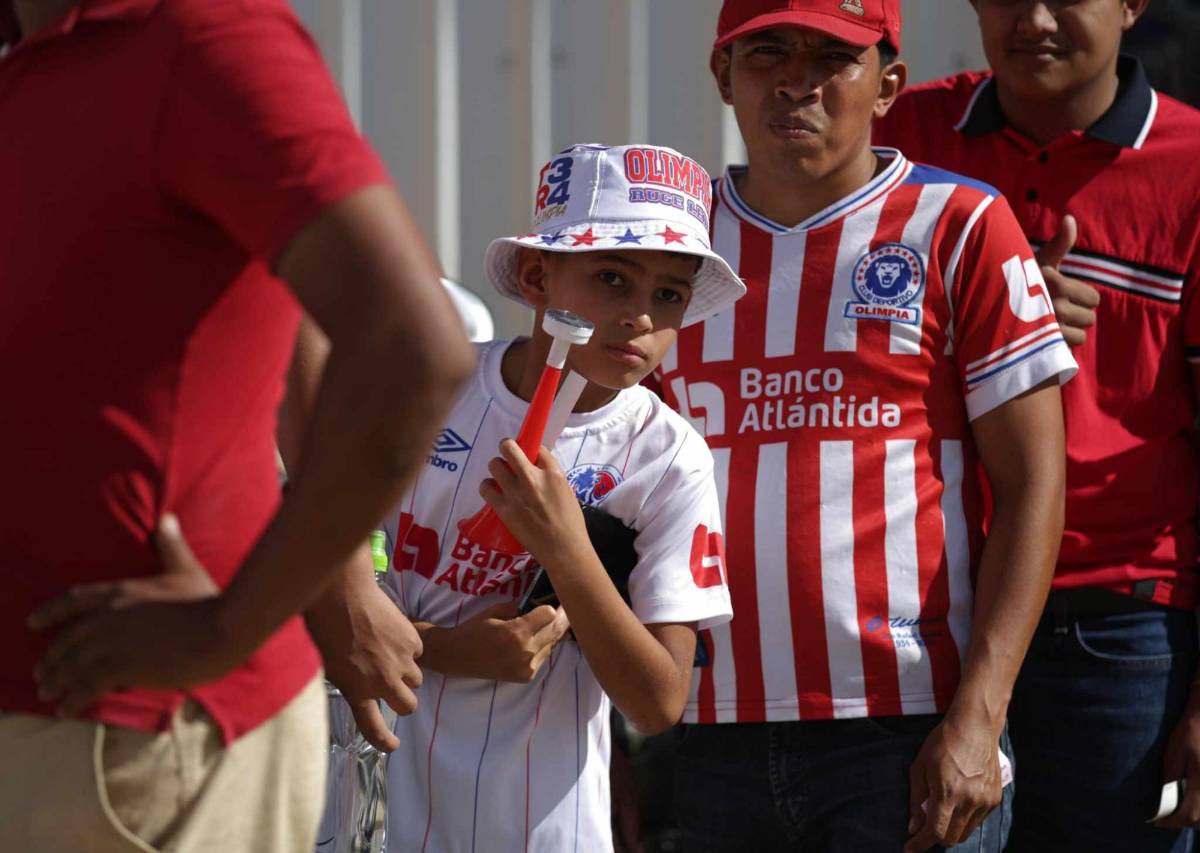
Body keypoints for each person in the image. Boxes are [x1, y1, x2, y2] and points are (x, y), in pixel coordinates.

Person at [0, 1, 474, 851]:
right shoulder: (36, 55)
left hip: (131, 738)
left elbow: (410, 345)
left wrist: (238, 621)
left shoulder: (202, 37)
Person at [659, 1, 1077, 850]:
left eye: (832, 58)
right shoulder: (666, 239)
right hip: (700, 728)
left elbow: (1036, 484)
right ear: (721, 76)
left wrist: (979, 717)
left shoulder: (962, 225)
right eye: (766, 51)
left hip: (909, 730)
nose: (794, 81)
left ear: (888, 86)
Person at [874, 0, 1200, 848]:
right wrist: (989, 306)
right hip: (924, 613)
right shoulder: (904, 130)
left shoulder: (1193, 168)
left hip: (1117, 629)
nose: (1037, 19)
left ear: (1132, 5)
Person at [372, 142, 744, 852]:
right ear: (539, 274)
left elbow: (659, 699)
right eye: (611, 277)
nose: (639, 315)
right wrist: (447, 648)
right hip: (368, 811)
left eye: (668, 293)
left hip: (545, 828)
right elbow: (313, 615)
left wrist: (569, 549)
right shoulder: (424, 389)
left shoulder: (670, 459)